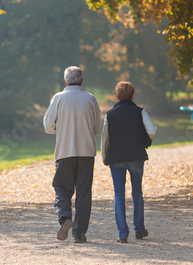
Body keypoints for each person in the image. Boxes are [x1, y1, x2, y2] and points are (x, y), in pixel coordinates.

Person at [43, 66, 101, 243]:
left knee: (61, 187)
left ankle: (65, 217)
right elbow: (96, 127)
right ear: (81, 81)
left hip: (64, 152)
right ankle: (79, 233)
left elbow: (47, 126)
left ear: (65, 81)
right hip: (86, 152)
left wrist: (59, 130)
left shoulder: (58, 98)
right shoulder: (90, 98)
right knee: (84, 193)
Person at [101, 81, 158, 243]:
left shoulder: (110, 115)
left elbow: (105, 137)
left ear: (117, 96)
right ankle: (139, 229)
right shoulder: (140, 112)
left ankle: (122, 234)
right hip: (136, 156)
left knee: (119, 195)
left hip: (116, 158)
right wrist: (144, 140)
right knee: (137, 193)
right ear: (132, 95)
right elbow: (153, 130)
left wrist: (105, 156)